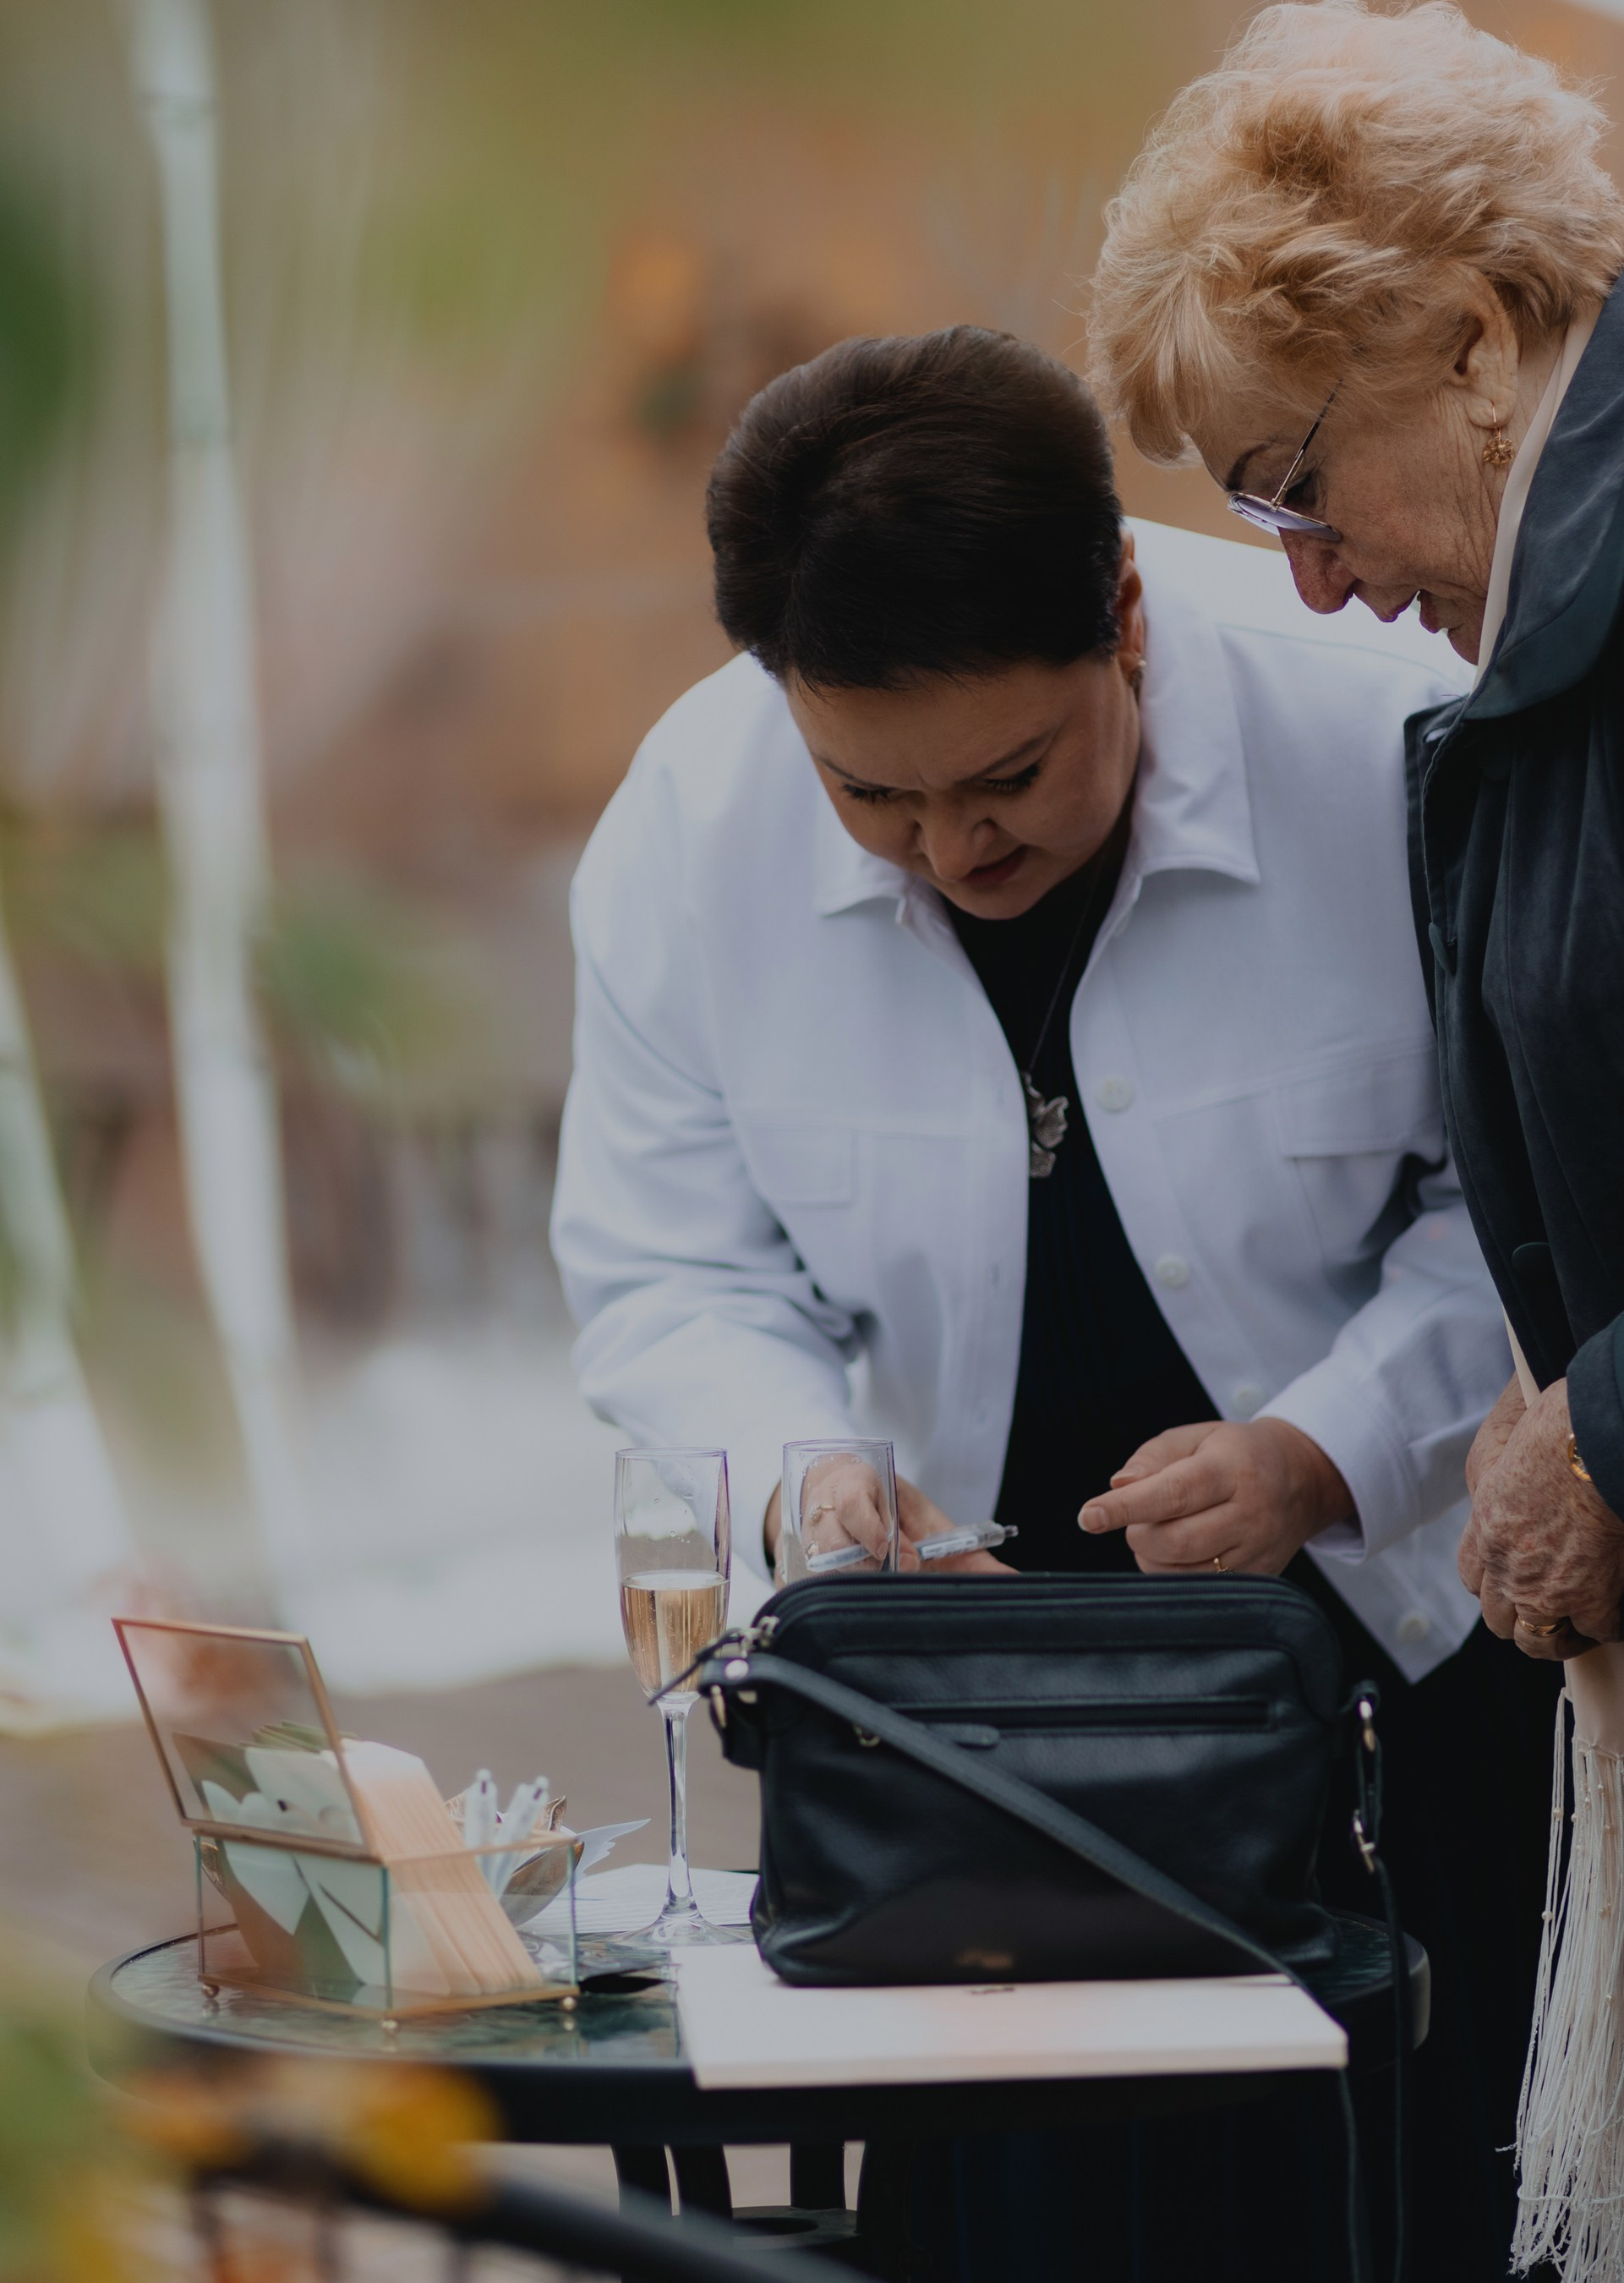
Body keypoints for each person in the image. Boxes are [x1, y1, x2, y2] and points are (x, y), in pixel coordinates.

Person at [552, 326, 1534, 2275]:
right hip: (967, 1732)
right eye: (873, 801)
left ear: (1125, 616)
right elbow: (669, 1269)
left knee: (1426, 2199)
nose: (951, 850)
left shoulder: (1393, 725)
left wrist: (1324, 1451)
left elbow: (1519, 1197)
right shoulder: (688, 824)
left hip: (1413, 1667)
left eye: (1006, 778)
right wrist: (806, 1485)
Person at [1085, 4, 1624, 2269]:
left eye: (1297, 477)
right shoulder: (1545, 643)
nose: (1299, 574)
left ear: (1480, 341)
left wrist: (1612, 1411)